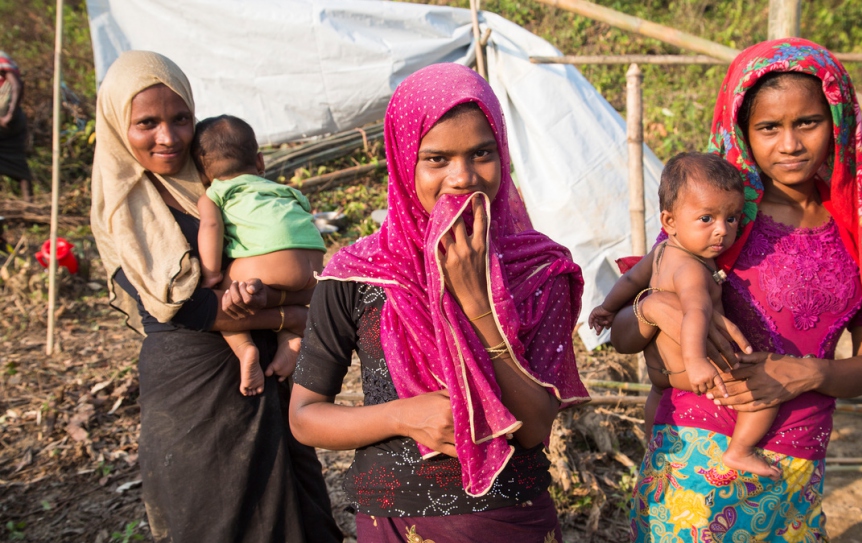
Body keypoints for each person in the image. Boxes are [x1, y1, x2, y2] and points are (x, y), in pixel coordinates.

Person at [289, 63, 589, 542]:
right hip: (396, 518)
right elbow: (305, 417)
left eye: (481, 153)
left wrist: (478, 306)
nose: (463, 176)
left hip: (511, 518)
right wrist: (402, 415)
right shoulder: (360, 273)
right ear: (405, 162)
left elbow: (533, 429)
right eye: (436, 159)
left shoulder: (540, 270)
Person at [611, 38, 862, 541]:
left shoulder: (859, 234)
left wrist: (810, 373)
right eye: (769, 127)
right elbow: (622, 335)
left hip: (799, 464)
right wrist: (656, 306)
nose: (789, 144)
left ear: (838, 122)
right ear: (742, 131)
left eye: (807, 123)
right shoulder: (718, 220)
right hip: (696, 455)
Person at [89, 50, 341, 543]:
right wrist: (295, 316)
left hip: (265, 371)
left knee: (299, 508)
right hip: (193, 387)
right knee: (219, 515)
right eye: (147, 123)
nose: (168, 137)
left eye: (180, 118)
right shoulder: (126, 206)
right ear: (119, 125)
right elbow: (195, 308)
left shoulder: (210, 181)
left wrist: (291, 320)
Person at [589, 152, 781, 479]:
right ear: (669, 222)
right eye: (707, 219)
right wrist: (696, 362)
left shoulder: (662, 251)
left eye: (732, 218)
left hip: (661, 375)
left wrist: (607, 307)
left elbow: (632, 279)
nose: (721, 231)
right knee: (766, 393)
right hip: (692, 369)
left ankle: (653, 450)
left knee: (656, 398)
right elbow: (696, 313)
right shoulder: (693, 270)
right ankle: (740, 450)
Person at [192, 114, 326, 396]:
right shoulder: (283, 189)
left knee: (225, 295)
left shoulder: (216, 192)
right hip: (313, 264)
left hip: (273, 264)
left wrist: (212, 272)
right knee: (273, 289)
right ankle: (291, 340)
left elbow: (211, 226)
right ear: (260, 161)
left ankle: (245, 350)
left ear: (203, 174)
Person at [0, 50, 34, 201]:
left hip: (7, 120)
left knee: (16, 161)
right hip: (10, 120)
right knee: (17, 160)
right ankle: (29, 202)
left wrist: (9, 115)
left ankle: (29, 205)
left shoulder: (1, 59)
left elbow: (17, 85)